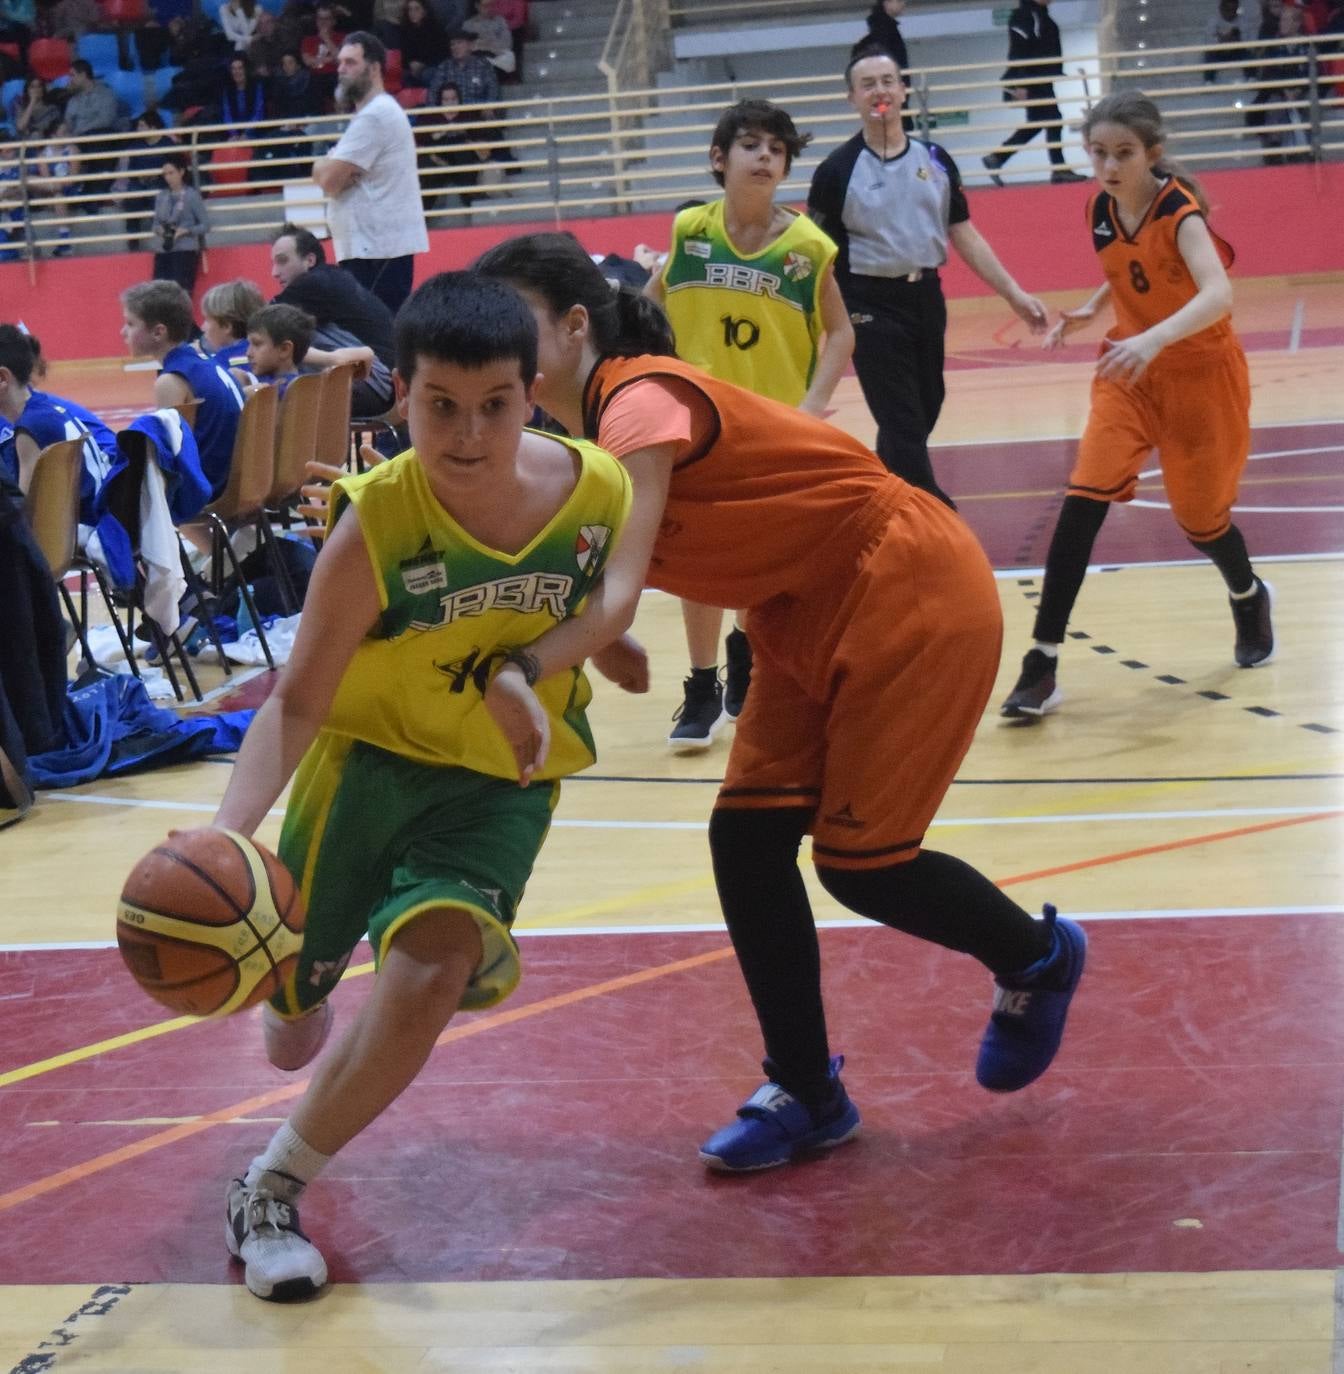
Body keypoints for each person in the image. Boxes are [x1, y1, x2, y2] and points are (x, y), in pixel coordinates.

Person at [476, 230, 1089, 1174]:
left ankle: (1037, 957)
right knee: (748, 838)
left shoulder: (638, 400)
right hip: (796, 603)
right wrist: (594, 636)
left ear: (571, 325)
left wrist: (531, 664)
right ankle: (807, 1091)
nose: (496, 345)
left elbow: (622, 589)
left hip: (903, 580)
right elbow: (590, 574)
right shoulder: (582, 435)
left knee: (865, 865)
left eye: (511, 323)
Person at [214, 272, 633, 1300]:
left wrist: (586, 656)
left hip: (498, 784)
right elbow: (298, 702)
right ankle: (295, 996)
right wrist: (228, 838)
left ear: (531, 394)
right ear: (401, 396)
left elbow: (594, 598)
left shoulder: (596, 492)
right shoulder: (375, 527)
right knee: (290, 1034)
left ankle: (271, 1185)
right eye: (440, 405)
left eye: (495, 405)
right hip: (367, 765)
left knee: (431, 969)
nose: (467, 433)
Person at [1000, 93, 1274, 719]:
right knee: (1083, 497)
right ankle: (1041, 661)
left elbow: (1218, 293)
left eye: (1123, 153)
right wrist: (1099, 308)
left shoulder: (1182, 213)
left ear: (1152, 153)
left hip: (1201, 376)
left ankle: (1248, 592)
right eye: (1097, 153)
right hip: (1129, 372)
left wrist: (1153, 337)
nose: (1108, 166)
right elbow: (1132, 265)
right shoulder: (1100, 208)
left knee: (1202, 521)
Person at [646, 99, 853, 751]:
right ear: (719, 159)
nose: (766, 157)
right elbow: (644, 314)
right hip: (699, 425)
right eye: (752, 145)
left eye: (777, 149)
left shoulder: (809, 248)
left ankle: (744, 651)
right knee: (699, 562)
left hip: (771, 428)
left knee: (759, 561)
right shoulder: (689, 233)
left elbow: (842, 332)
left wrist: (813, 403)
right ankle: (703, 683)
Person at [808, 49, 1048, 504]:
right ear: (852, 99)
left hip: (926, 299)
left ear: (903, 90)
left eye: (887, 81)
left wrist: (1014, 294)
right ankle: (932, 510)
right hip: (868, 305)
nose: (879, 91)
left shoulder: (935, 159)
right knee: (901, 419)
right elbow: (819, 254)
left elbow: (965, 234)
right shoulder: (835, 171)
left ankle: (882, 496)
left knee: (924, 408)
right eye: (868, 84)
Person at [312, 31, 429, 315]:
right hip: (373, 248)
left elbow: (327, 180)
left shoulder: (375, 116)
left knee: (376, 341)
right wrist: (329, 169)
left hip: (377, 250)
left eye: (350, 62)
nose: (341, 69)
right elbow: (331, 176)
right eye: (340, 62)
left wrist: (325, 167)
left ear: (375, 67)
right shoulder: (374, 115)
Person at [121, 279, 246, 500]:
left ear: (158, 332)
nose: (123, 332)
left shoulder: (171, 380)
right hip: (240, 478)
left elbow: (172, 457)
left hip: (210, 489)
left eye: (130, 324)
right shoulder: (207, 361)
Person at [269, 222, 398, 418]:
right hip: (389, 381)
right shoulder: (331, 278)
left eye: (282, 261)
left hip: (376, 381)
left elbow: (259, 327)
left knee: (279, 389)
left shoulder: (311, 284)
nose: (275, 272)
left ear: (309, 260)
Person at [0, 323, 115, 524]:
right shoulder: (46, 409)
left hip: (79, 537)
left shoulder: (29, 430)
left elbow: (24, 521)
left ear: (2, 378)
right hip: (95, 526)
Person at [981, 0, 1086, 185]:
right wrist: (1021, 82)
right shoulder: (1025, 16)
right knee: (1053, 120)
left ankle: (998, 157)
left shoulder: (1040, 15)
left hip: (1041, 77)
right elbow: (1018, 50)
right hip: (1032, 78)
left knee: (1042, 122)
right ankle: (1058, 169)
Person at [151, 154, 209, 294]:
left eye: (171, 173)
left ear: (181, 172)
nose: (168, 178)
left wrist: (186, 231)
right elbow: (155, 224)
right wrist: (160, 230)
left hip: (185, 250)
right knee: (158, 293)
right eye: (165, 174)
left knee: (182, 292)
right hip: (164, 249)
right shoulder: (161, 196)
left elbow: (205, 225)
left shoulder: (191, 195)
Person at [243, 301, 314, 392]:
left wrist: (241, 394)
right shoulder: (261, 378)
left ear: (284, 349)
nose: (248, 353)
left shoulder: (288, 390)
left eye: (257, 344)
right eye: (249, 344)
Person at [201, 278, 268, 369]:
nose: (202, 328)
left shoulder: (221, 363)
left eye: (207, 320)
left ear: (226, 326)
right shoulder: (269, 354)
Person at [428, 26, 499, 108]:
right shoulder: (444, 67)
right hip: (452, 111)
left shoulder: (483, 65)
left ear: (470, 45)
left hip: (477, 111)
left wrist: (489, 107)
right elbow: (433, 92)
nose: (455, 47)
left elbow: (493, 89)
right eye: (452, 44)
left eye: (459, 42)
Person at [397, 0, 448, 84]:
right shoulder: (405, 30)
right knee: (404, 75)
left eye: (417, 9)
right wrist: (411, 64)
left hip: (432, 65)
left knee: (427, 74)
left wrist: (423, 64)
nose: (413, 13)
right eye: (410, 9)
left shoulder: (436, 29)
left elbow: (441, 54)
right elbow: (404, 54)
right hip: (412, 67)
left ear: (425, 11)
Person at [850, 0, 908, 71]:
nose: (903, 4)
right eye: (899, 1)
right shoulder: (885, 29)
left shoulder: (883, 27)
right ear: (886, 2)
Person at [1204, 0, 1244, 80]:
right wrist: (1222, 39)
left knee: (1248, 54)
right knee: (1209, 56)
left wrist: (1234, 39)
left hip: (1236, 52)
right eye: (1228, 9)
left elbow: (1247, 39)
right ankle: (1209, 81)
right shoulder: (1213, 20)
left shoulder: (1242, 20)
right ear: (1221, 8)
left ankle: (1251, 77)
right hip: (1218, 52)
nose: (1230, 13)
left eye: (1233, 10)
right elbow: (1209, 40)